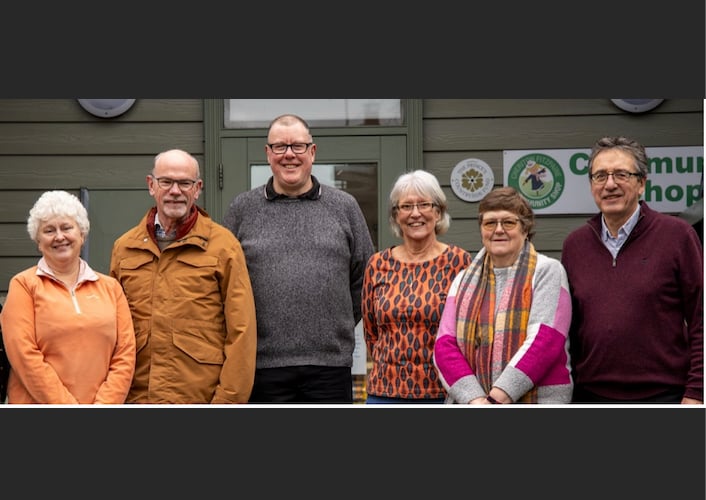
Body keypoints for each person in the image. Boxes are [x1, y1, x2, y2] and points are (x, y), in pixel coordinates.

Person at [222, 114, 375, 403]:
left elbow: (365, 279)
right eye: (279, 147)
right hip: (260, 366)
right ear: (268, 154)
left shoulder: (345, 207)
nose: (289, 155)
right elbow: (225, 282)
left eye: (298, 146)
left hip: (329, 367)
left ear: (312, 152)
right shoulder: (242, 208)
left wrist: (334, 322)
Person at [561, 136, 703, 404]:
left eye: (621, 174)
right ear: (591, 185)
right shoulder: (575, 245)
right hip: (590, 398)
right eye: (600, 176)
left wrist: (697, 392)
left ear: (642, 183)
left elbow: (701, 318)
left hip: (665, 397)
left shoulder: (677, 236)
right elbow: (569, 329)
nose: (610, 184)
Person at [109, 148, 257, 404]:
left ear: (197, 188)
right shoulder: (125, 249)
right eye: (166, 182)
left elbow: (242, 332)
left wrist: (227, 402)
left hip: (200, 398)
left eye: (184, 183)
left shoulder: (223, 246)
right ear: (151, 185)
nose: (175, 191)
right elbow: (110, 332)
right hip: (137, 398)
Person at [433, 186, 573, 404]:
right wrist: (476, 400)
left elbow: (545, 341)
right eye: (490, 223)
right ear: (482, 230)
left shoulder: (548, 271)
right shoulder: (462, 280)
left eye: (508, 222)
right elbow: (444, 345)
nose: (498, 230)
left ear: (525, 229)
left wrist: (496, 399)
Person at [0, 190, 136, 404]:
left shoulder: (111, 288)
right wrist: (69, 408)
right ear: (38, 240)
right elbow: (24, 356)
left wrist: (104, 406)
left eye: (66, 227)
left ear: (82, 234)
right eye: (48, 230)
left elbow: (125, 355)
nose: (59, 236)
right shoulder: (24, 285)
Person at [362, 170, 472, 404]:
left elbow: (470, 331)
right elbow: (371, 333)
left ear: (438, 211)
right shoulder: (378, 264)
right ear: (396, 215)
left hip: (443, 393)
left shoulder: (459, 262)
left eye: (424, 204)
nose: (415, 214)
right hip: (384, 393)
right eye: (406, 206)